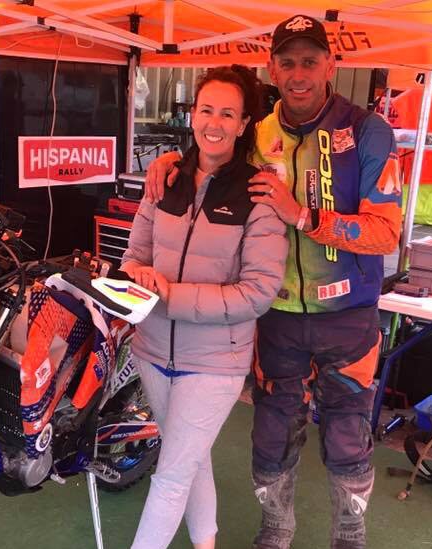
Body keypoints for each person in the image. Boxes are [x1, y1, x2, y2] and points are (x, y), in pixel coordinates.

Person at [144, 15, 402, 549]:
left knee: (348, 435)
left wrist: (305, 216)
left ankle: (349, 536)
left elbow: (386, 234)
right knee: (271, 433)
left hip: (348, 315)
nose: (299, 73)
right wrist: (172, 159)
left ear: (332, 65)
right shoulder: (258, 134)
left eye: (310, 61)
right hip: (276, 318)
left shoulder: (369, 131)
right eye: (287, 62)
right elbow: (210, 155)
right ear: (272, 68)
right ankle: (276, 530)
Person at [121, 65, 288, 549]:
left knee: (171, 475)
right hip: (152, 350)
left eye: (228, 113)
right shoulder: (166, 178)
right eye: (206, 109)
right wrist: (139, 275)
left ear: (243, 125)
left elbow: (257, 292)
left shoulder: (258, 195)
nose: (214, 122)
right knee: (189, 459)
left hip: (214, 363)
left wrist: (167, 293)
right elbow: (134, 258)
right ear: (193, 114)